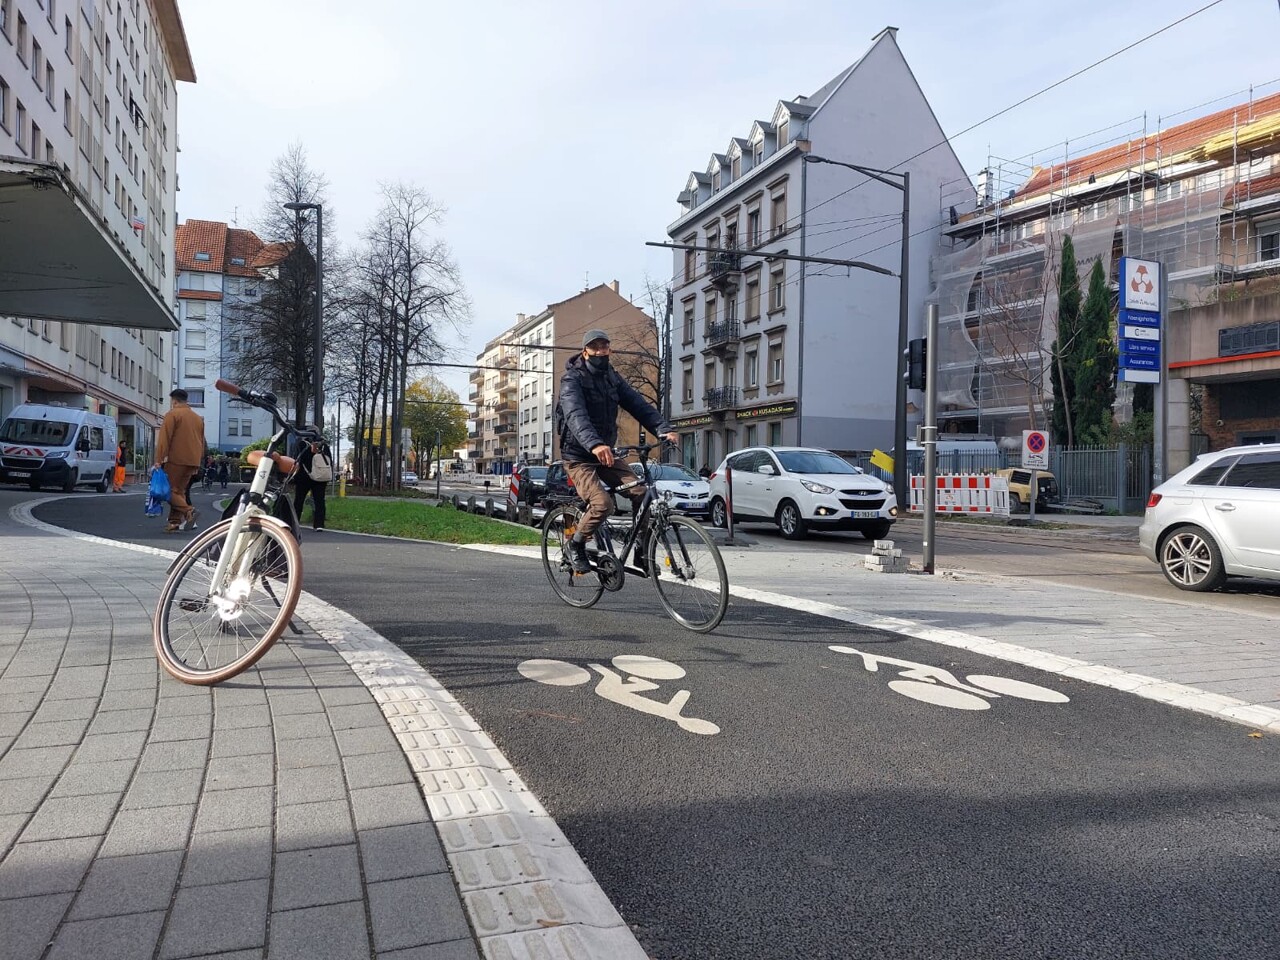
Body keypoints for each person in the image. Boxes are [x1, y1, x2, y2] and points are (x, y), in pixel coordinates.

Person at [557, 329, 676, 573]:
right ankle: (575, 545)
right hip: (579, 457)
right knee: (602, 503)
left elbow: (638, 404)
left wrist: (662, 428)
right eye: (595, 347)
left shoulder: (612, 377)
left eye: (604, 346)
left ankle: (642, 552)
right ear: (585, 352)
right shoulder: (572, 380)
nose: (601, 351)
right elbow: (575, 415)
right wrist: (595, 444)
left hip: (606, 454)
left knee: (642, 493)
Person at [153, 388, 206, 533]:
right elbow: (202, 441)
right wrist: (199, 459)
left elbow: (164, 439)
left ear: (174, 401)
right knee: (179, 491)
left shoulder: (172, 415)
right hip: (193, 460)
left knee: (168, 491)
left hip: (176, 458)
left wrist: (158, 459)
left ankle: (190, 511)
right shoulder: (197, 418)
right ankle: (174, 522)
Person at [293, 427, 334, 531]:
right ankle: (319, 524)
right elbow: (329, 461)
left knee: (299, 500)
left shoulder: (302, 444)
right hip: (320, 478)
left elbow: (297, 460)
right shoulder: (323, 445)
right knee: (319, 500)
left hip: (304, 476)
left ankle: (294, 522)